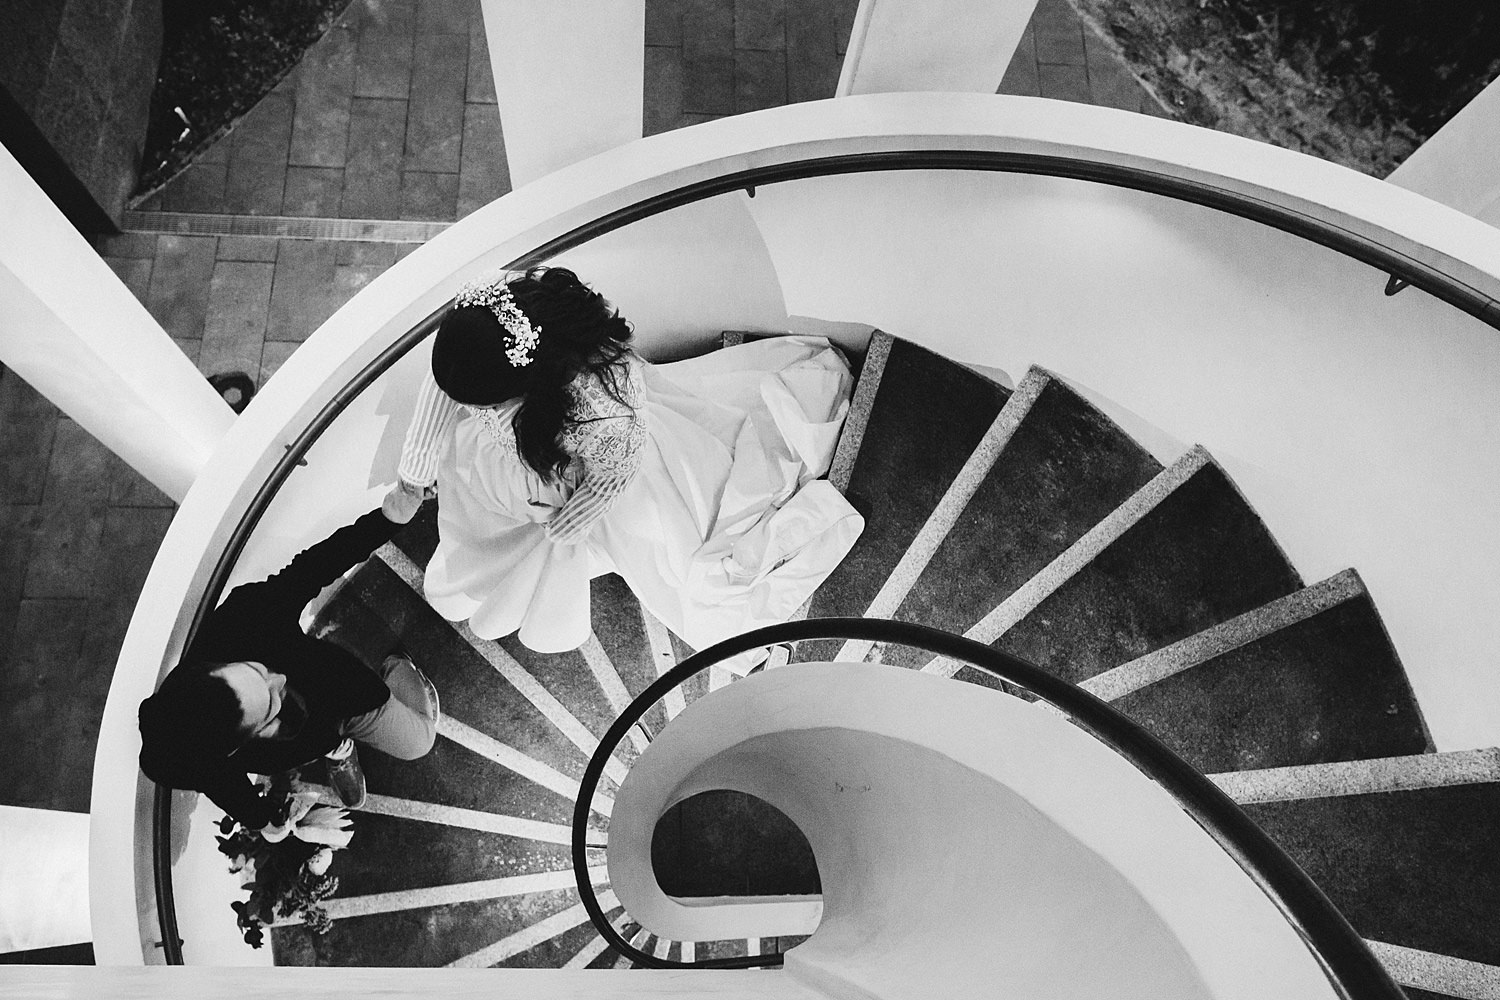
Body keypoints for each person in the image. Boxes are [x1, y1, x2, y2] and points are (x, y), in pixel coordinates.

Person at [386, 265, 864, 656]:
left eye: (486, 404)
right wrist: (413, 477)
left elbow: (617, 470)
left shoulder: (601, 412)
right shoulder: (499, 319)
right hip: (549, 439)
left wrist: (578, 517)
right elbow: (446, 384)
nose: (474, 411)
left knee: (653, 550)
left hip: (621, 473)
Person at [138, 504, 439, 840]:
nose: (279, 678)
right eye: (269, 703)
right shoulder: (198, 753)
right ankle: (337, 748)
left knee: (419, 742)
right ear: (235, 747)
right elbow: (217, 782)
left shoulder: (242, 620)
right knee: (323, 737)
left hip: (346, 695)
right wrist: (264, 820)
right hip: (315, 736)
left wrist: (388, 517)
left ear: (215, 668)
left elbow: (314, 565)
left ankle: (397, 667)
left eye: (255, 670)